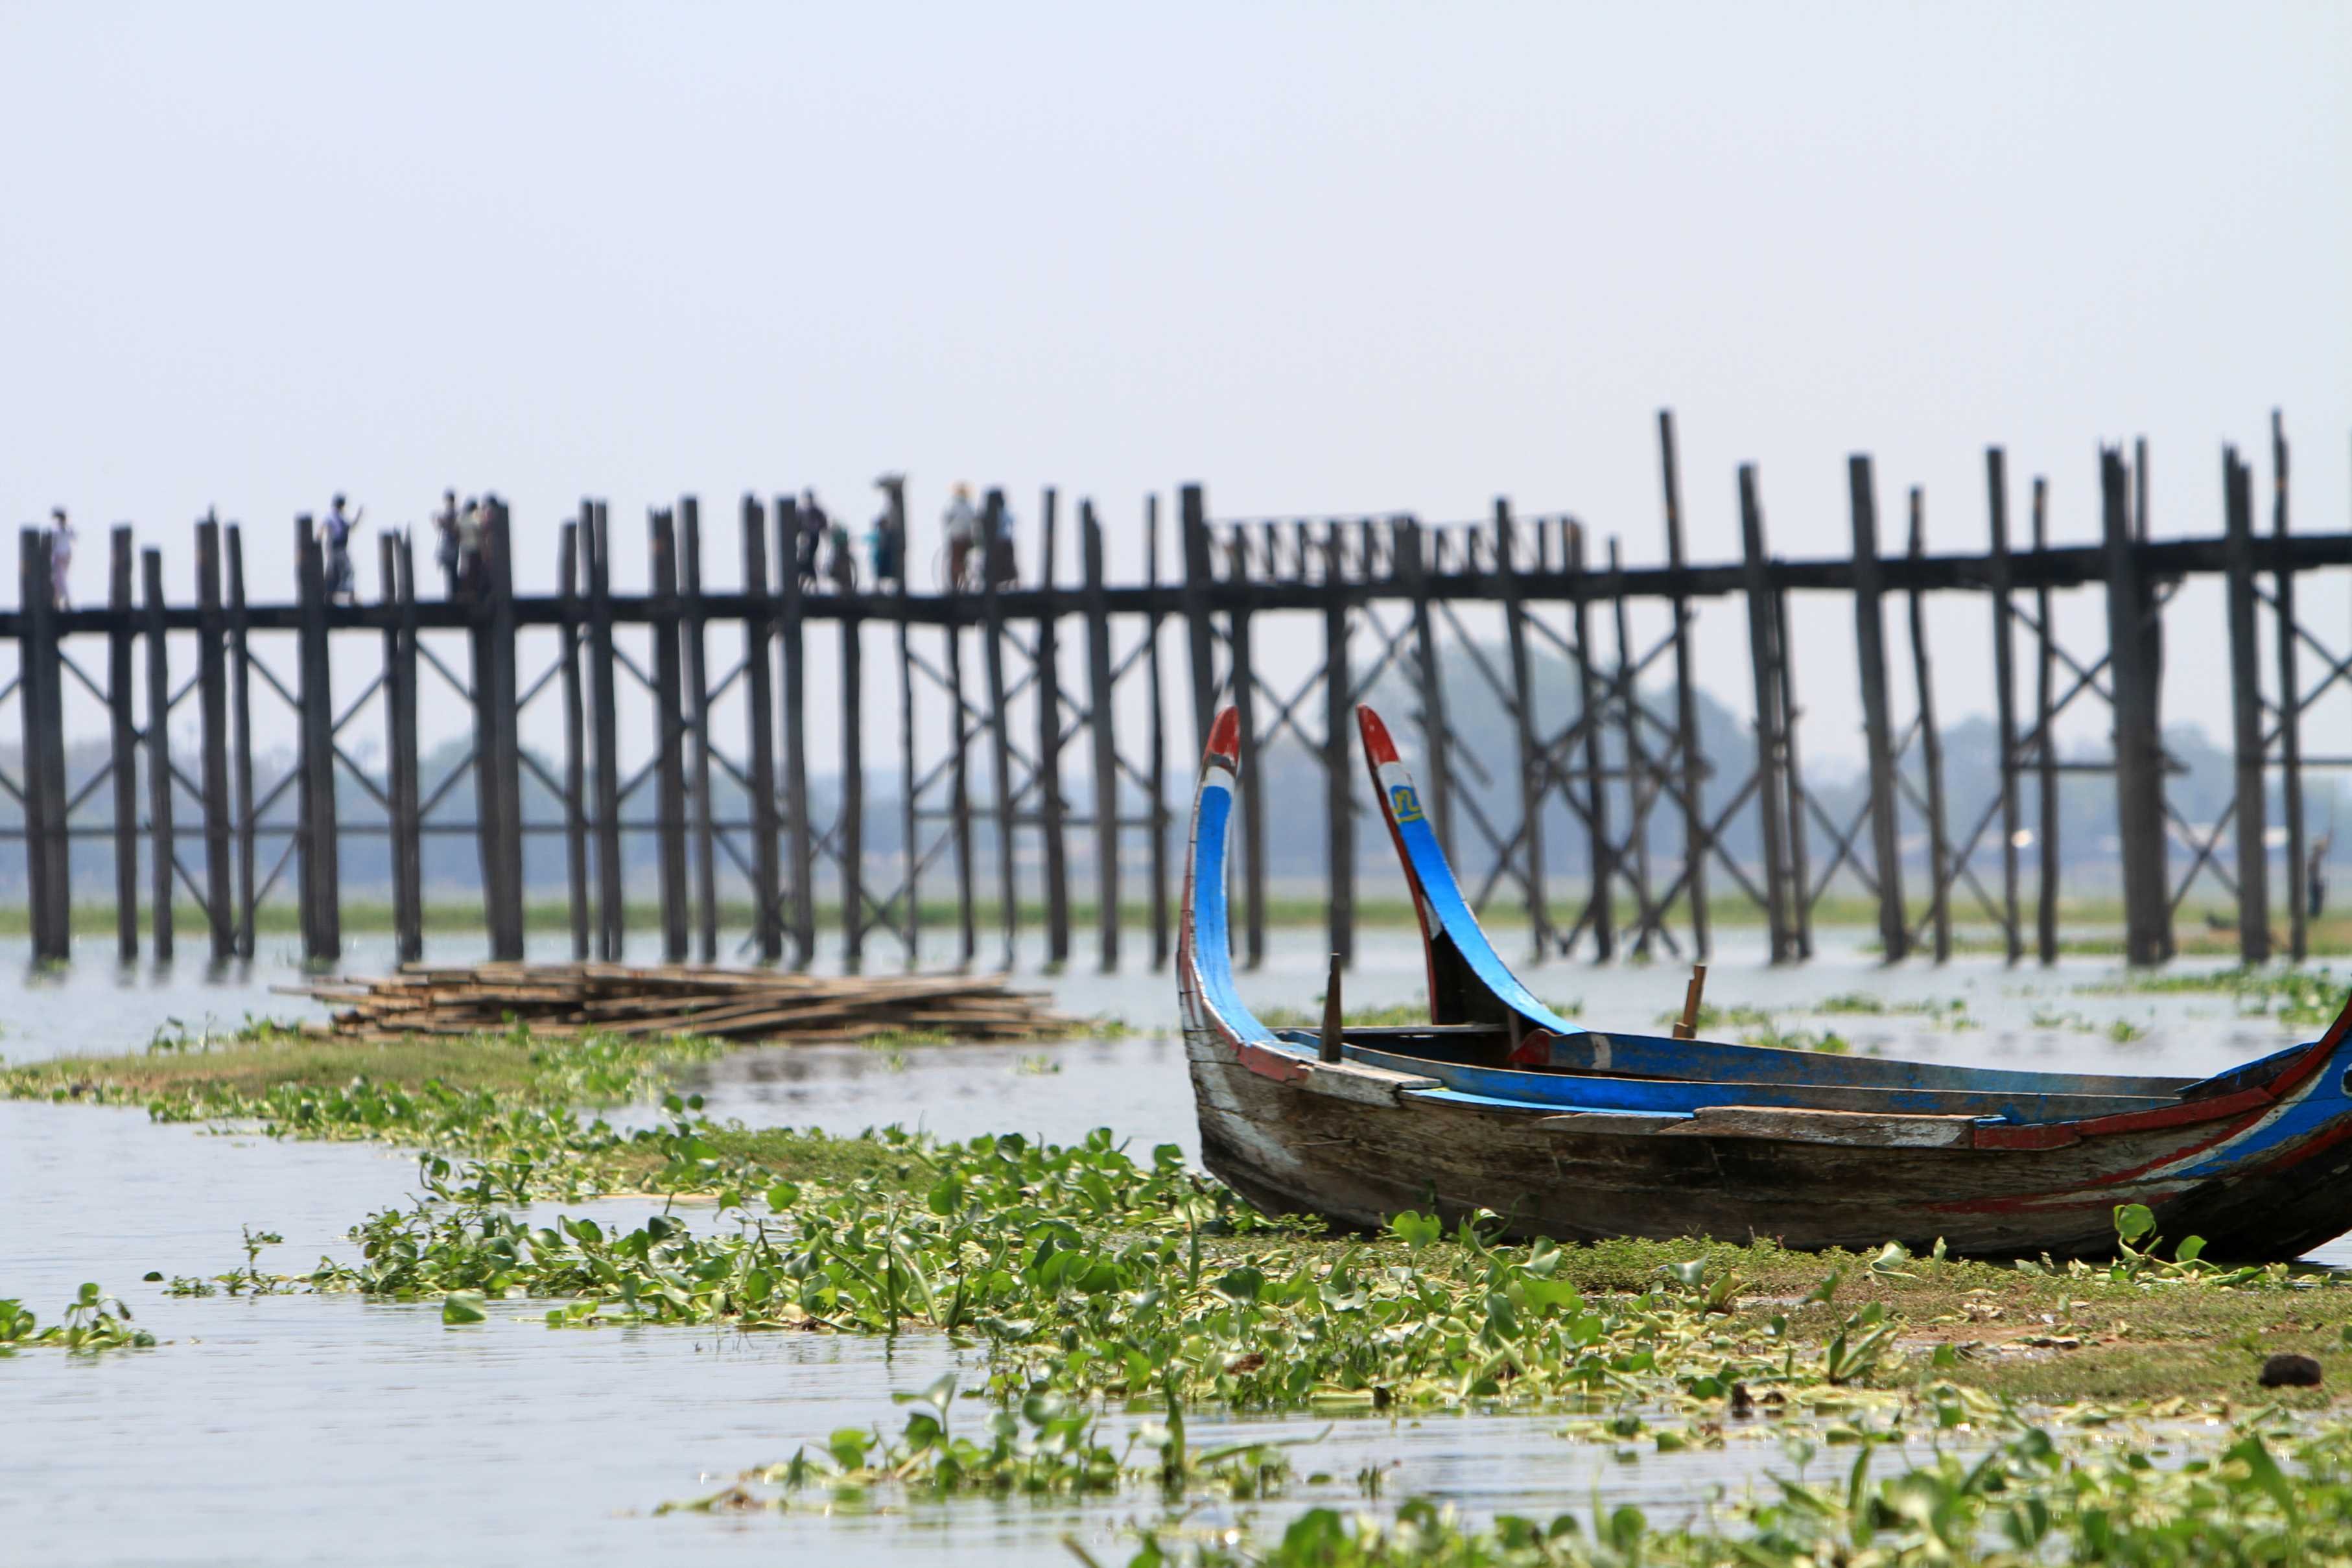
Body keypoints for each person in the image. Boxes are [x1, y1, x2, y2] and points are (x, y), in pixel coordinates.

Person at [322, 494, 359, 604]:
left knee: (336, 572)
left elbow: (348, 527)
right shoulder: (334, 517)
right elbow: (335, 531)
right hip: (338, 549)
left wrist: (359, 516)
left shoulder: (338, 518)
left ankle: (332, 595)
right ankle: (343, 593)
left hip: (337, 549)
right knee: (347, 571)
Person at [943, 483, 977, 591]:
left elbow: (947, 519)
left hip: (956, 539)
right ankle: (964, 583)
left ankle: (956, 586)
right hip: (967, 539)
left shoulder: (954, 506)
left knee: (955, 563)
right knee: (963, 562)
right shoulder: (969, 506)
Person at [432, 489, 461, 599]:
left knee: (452, 569)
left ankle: (453, 594)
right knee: (450, 570)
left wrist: (441, 522)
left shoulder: (453, 513)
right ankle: (452, 593)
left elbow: (451, 528)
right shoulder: (451, 513)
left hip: (452, 545)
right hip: (450, 544)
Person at [455, 496, 484, 600]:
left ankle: (465, 592)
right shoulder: (475, 516)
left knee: (465, 571)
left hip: (464, 548)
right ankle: (473, 592)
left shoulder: (461, 518)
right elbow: (479, 532)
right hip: (474, 548)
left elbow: (457, 533)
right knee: (474, 571)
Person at [797, 489, 827, 589]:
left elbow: (823, 524)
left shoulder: (814, 510)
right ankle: (809, 584)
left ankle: (810, 584)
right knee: (807, 559)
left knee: (808, 559)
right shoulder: (805, 510)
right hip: (806, 537)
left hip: (812, 537)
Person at [47, 507, 72, 609]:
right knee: (58, 580)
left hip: (63, 557)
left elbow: (74, 536)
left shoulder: (64, 531)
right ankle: (56, 601)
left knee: (60, 579)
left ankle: (66, 601)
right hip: (60, 556)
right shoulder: (59, 531)